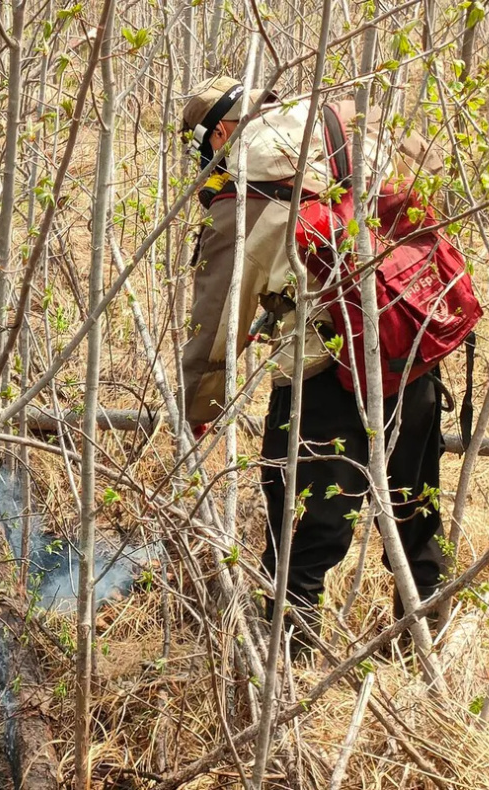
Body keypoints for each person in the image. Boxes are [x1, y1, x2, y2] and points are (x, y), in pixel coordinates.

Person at [179, 75, 449, 647]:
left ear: (223, 131)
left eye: (205, 149)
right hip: (412, 349)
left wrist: (197, 407)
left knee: (301, 536)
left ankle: (287, 678)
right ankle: (428, 653)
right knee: (416, 518)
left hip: (322, 377)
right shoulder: (350, 125)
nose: (208, 164)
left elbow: (214, 325)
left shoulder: (243, 197)